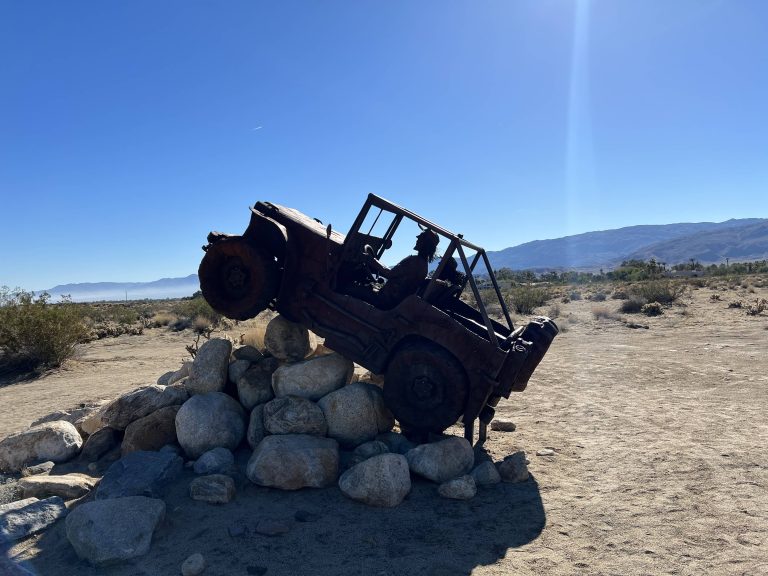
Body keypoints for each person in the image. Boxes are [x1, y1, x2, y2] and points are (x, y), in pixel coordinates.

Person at [360, 228, 440, 309]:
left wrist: (370, 260)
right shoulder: (423, 264)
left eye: (422, 236)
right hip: (393, 302)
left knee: (350, 289)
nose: (417, 237)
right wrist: (375, 261)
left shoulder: (414, 261)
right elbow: (394, 272)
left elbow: (389, 273)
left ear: (425, 243)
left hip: (385, 301)